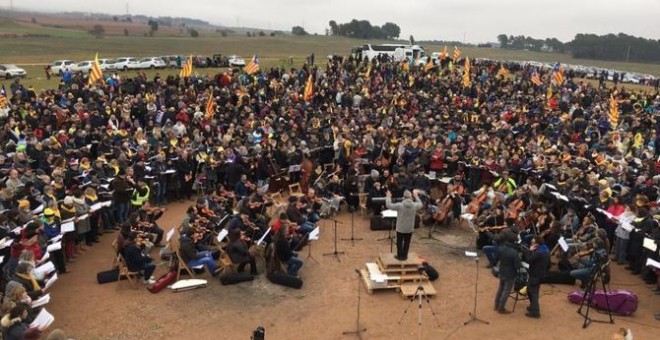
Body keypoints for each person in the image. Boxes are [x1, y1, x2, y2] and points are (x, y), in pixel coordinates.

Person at [385, 189, 423, 261]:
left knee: (399, 242)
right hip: (409, 228)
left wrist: (388, 197)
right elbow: (421, 204)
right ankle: (405, 256)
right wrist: (417, 196)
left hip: (400, 228)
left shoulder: (400, 205)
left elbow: (388, 205)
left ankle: (399, 256)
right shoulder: (414, 205)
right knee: (407, 242)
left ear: (403, 197)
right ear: (411, 197)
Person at [494, 232, 521, 314]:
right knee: (506, 291)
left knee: (500, 288)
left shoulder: (500, 248)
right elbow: (517, 266)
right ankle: (501, 308)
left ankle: (496, 305)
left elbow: (496, 259)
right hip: (510, 273)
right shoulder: (514, 252)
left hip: (502, 270)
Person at [522, 236, 549, 318]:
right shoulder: (545, 249)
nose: (531, 242)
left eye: (533, 241)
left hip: (535, 275)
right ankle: (532, 307)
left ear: (537, 243)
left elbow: (529, 259)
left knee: (533, 293)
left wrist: (529, 251)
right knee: (530, 290)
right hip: (540, 274)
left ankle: (535, 312)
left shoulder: (538, 252)